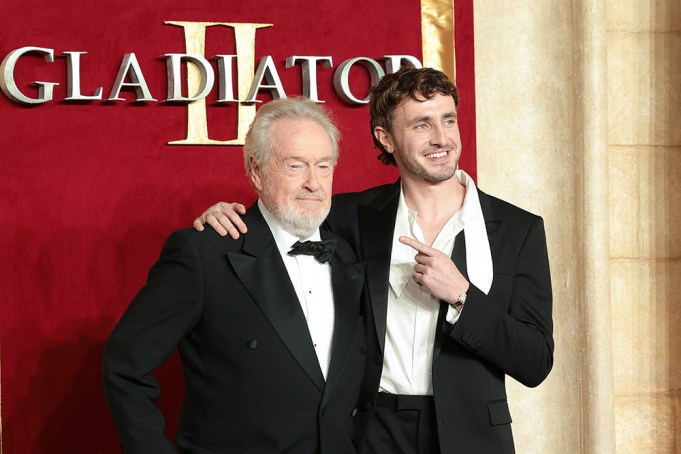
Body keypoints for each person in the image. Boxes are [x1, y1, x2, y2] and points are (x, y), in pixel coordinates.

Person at [193, 66, 554, 454]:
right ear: (386, 138)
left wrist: (462, 296)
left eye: (448, 119)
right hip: (369, 433)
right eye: (421, 125)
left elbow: (535, 362)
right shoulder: (347, 217)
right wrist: (226, 217)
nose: (441, 138)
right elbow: (281, 219)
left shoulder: (518, 230)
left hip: (473, 438)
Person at [102, 97, 369, 454]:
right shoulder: (205, 253)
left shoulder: (350, 255)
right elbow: (124, 365)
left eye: (323, 166)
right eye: (295, 166)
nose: (313, 183)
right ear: (256, 171)